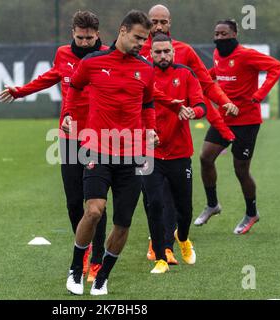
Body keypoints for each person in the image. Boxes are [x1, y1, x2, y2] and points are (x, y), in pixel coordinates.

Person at [0, 11, 108, 281]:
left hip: (99, 136)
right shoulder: (62, 54)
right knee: (73, 202)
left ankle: (96, 261)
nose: (84, 42)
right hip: (69, 135)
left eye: (89, 38)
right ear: (73, 33)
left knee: (95, 203)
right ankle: (84, 249)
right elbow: (51, 76)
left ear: (98, 34)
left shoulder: (108, 55)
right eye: (80, 37)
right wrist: (20, 91)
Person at [62, 10, 157, 296]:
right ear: (123, 30)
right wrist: (68, 114)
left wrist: (150, 129)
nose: (142, 43)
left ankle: (102, 276)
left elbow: (148, 104)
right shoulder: (92, 62)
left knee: (123, 223)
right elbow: (74, 88)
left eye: (145, 39)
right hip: (97, 148)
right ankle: (76, 270)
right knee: (93, 210)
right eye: (138, 37)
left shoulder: (146, 68)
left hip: (133, 154)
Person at [140, 4, 237, 263]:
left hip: (176, 139)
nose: (158, 26)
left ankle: (168, 245)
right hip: (145, 138)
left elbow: (205, 83)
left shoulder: (184, 53)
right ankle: (157, 240)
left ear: (170, 23)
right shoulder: (136, 52)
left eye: (163, 21)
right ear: (147, 24)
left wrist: (223, 99)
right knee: (150, 196)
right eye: (154, 22)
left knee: (173, 199)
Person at [194, 19, 280, 234]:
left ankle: (251, 213)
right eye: (217, 34)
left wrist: (259, 95)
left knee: (240, 170)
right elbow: (217, 71)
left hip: (246, 121)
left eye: (224, 34)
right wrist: (201, 77)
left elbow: (277, 67)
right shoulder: (217, 54)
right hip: (223, 118)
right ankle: (212, 204)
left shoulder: (246, 55)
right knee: (205, 158)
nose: (219, 38)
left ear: (234, 34)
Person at [142, 33, 206, 273]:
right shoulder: (143, 74)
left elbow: (201, 104)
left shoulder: (185, 74)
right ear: (150, 53)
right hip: (149, 153)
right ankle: (161, 256)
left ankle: (183, 238)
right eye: (157, 52)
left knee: (184, 209)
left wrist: (193, 112)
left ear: (173, 52)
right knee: (155, 203)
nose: (162, 56)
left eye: (166, 51)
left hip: (180, 153)